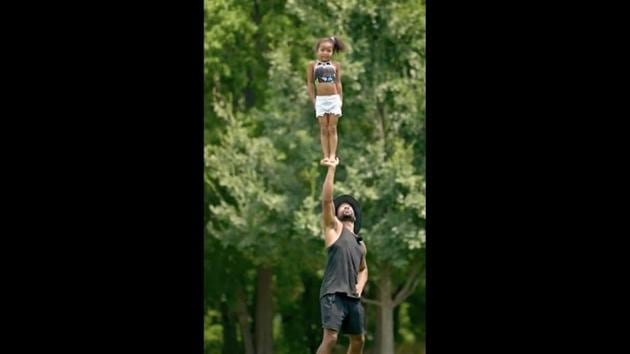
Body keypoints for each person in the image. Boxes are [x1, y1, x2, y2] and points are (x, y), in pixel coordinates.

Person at [316, 157, 368, 354]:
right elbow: (327, 200)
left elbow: (363, 269)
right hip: (333, 293)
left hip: (352, 297)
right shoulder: (334, 230)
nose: (346, 206)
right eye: (342, 206)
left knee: (358, 340)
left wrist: (360, 286)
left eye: (350, 206)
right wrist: (331, 170)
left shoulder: (360, 243)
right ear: (336, 214)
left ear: (355, 215)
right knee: (331, 339)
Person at [306, 36, 346, 165]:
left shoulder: (336, 65)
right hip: (321, 100)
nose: (325, 53)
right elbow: (310, 84)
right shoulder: (312, 65)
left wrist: (340, 100)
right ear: (317, 50)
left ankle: (333, 155)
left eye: (328, 50)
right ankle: (326, 155)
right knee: (323, 128)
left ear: (332, 52)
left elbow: (338, 83)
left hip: (333, 99)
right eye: (322, 50)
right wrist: (314, 100)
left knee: (332, 128)